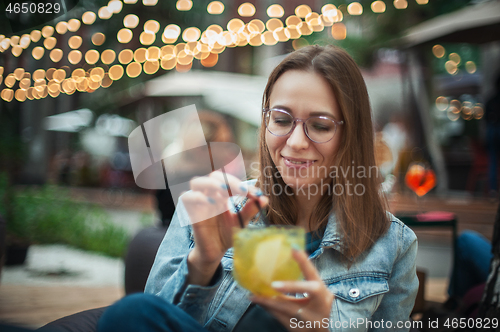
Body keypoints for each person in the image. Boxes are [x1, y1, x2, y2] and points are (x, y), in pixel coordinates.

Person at [98, 45, 418, 332]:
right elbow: (156, 320)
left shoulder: (394, 244)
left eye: (320, 125)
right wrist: (203, 262)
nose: (295, 143)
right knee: (130, 313)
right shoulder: (214, 208)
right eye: (281, 120)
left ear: (352, 135)